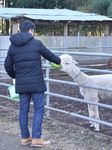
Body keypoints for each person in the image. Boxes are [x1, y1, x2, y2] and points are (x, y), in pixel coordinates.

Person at [4, 20, 61, 148]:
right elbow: (50, 56)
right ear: (30, 30)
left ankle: (25, 138)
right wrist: (59, 60)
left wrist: (15, 75)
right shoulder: (36, 43)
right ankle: (36, 138)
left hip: (22, 84)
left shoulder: (13, 46)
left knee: (23, 110)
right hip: (36, 85)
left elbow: (7, 65)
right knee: (39, 109)